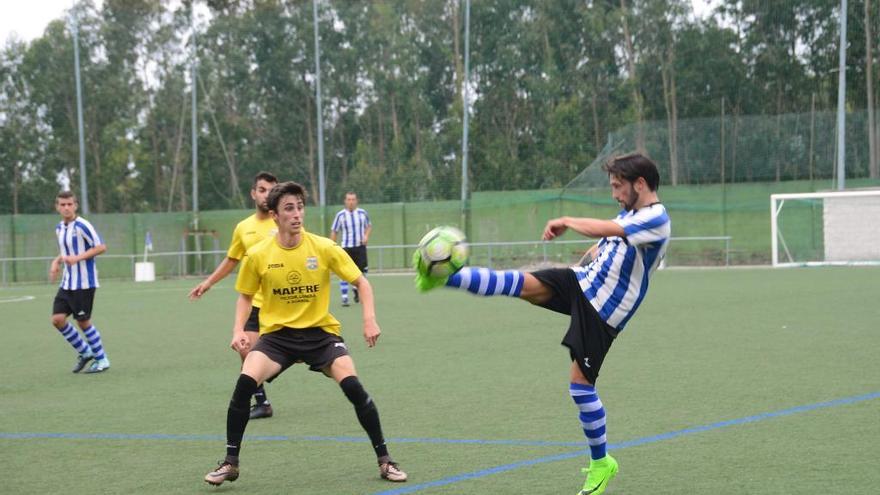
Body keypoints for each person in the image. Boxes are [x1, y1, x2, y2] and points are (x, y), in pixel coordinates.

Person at [415, 153, 671, 495]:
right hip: (583, 283)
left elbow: (610, 229)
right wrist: (577, 269)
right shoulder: (632, 212)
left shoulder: (657, 218)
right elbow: (603, 245)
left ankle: (601, 463)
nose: (614, 193)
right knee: (520, 284)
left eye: (617, 186)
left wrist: (566, 219)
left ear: (640, 184)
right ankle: (443, 279)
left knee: (580, 387)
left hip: (604, 310)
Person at [204, 181, 407, 487]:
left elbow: (362, 283)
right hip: (278, 337)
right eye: (289, 208)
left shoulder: (323, 247)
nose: (297, 214)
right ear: (275, 215)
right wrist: (238, 330)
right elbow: (245, 296)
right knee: (244, 383)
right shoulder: (258, 255)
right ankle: (230, 463)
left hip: (320, 334)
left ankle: (385, 461)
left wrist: (369, 319)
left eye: (300, 207)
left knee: (354, 388)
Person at [189, 171, 279, 419]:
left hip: (283, 303)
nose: (266, 195)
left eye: (271, 190)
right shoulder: (244, 228)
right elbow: (232, 260)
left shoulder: (284, 222)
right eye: (262, 190)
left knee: (298, 356)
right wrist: (208, 283)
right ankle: (262, 402)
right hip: (254, 302)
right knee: (245, 349)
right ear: (253, 193)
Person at [49, 191, 111, 374]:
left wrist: (78, 258)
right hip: (67, 283)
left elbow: (101, 247)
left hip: (84, 283)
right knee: (57, 320)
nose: (66, 207)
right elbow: (66, 251)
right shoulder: (59, 228)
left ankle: (102, 360)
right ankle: (85, 352)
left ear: (75, 205)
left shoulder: (83, 225)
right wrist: (56, 262)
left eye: (69, 204)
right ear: (57, 207)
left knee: (83, 322)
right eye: (62, 204)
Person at [330, 191, 371, 306]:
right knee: (344, 272)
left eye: (353, 199)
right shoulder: (340, 215)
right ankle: (345, 298)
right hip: (346, 247)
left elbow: (369, 226)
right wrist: (332, 246)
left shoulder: (363, 213)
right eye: (349, 199)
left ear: (356, 201)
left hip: (360, 247)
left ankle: (360, 292)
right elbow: (334, 231)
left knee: (362, 272)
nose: (351, 202)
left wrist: (366, 236)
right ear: (345, 201)